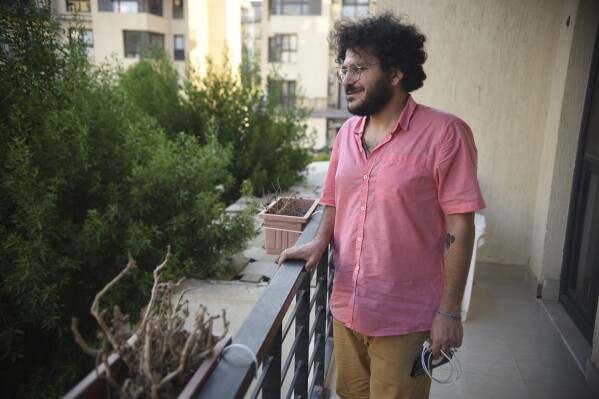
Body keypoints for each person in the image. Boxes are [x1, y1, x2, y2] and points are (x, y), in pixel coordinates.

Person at [278, 12, 486, 399]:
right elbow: (333, 199)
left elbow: (460, 224)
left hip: (405, 319)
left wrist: (450, 311)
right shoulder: (346, 134)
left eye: (358, 68)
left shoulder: (445, 134)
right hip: (346, 309)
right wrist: (319, 240)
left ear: (395, 72)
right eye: (344, 68)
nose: (347, 79)